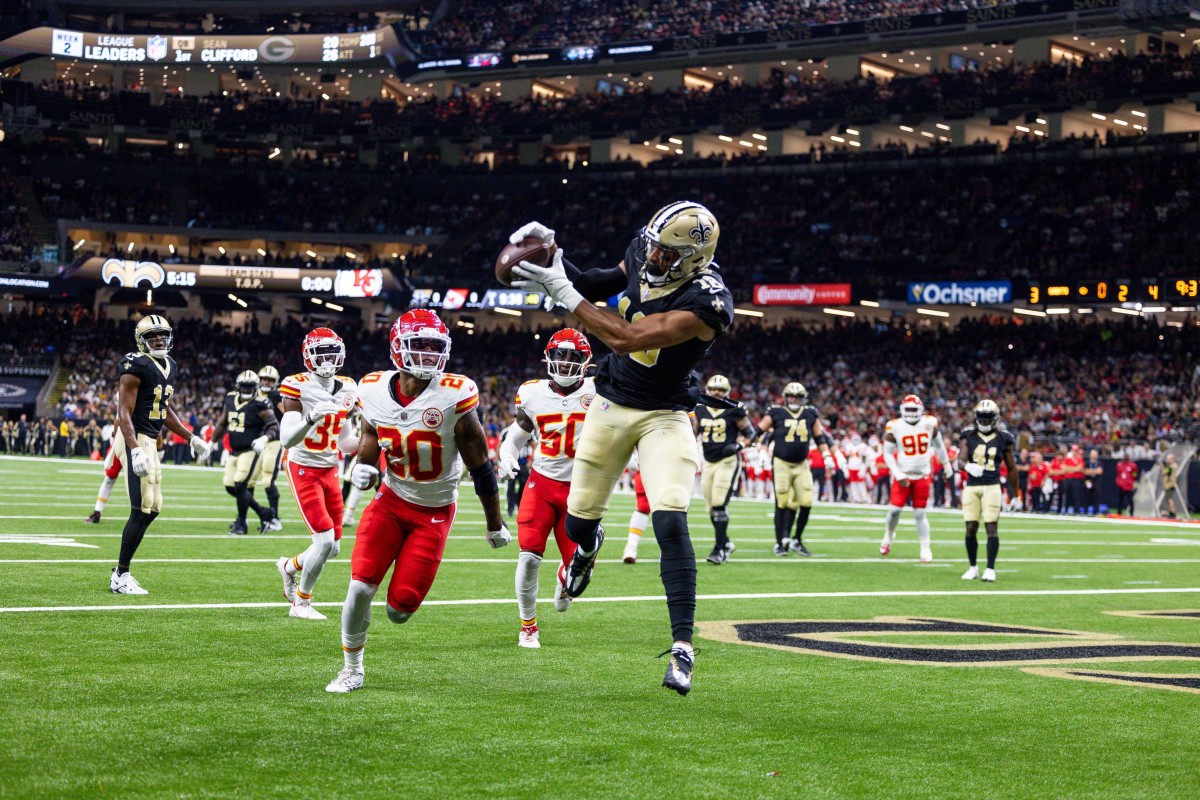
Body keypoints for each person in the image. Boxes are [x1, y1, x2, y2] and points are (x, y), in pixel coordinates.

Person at [508, 202, 733, 695]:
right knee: (578, 523)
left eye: (667, 253)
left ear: (695, 257)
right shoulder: (644, 247)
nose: (653, 256)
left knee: (670, 518)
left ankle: (682, 647)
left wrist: (560, 291)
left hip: (665, 414)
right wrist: (554, 255)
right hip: (609, 404)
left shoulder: (708, 301)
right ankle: (588, 549)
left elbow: (629, 338)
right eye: (653, 245)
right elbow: (595, 283)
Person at [326, 310, 510, 693]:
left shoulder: (454, 395)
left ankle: (383, 623)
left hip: (435, 511)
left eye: (434, 346)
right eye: (419, 345)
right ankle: (351, 667)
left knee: (399, 611)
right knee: (360, 587)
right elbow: (372, 433)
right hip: (390, 500)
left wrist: (495, 524)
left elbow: (480, 467)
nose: (427, 354)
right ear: (397, 347)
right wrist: (363, 466)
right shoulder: (373, 388)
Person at [498, 328, 595, 648]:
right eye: (559, 355)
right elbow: (516, 437)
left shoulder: (600, 391)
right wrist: (507, 456)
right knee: (528, 557)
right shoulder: (532, 393)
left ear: (586, 361)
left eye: (573, 357)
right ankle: (528, 627)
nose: (565, 363)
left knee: (578, 572)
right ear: (548, 358)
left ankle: (564, 578)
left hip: (582, 490)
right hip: (541, 484)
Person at [110, 315, 212, 594]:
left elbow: (163, 410)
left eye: (162, 335)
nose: (158, 340)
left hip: (149, 439)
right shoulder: (135, 364)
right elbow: (124, 412)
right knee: (141, 507)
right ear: (141, 340)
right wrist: (133, 450)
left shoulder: (170, 366)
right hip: (133, 437)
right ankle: (120, 575)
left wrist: (191, 436)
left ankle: (121, 571)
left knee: (153, 507)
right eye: (152, 335)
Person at [274, 328, 358, 620]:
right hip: (302, 466)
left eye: (331, 353)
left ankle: (289, 566)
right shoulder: (297, 385)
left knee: (332, 548)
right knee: (322, 541)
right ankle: (301, 603)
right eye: (320, 353)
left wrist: (382, 442)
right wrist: (310, 417)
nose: (326, 359)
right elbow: (286, 439)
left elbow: (346, 442)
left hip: (329, 468)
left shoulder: (348, 387)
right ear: (308, 356)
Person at [757, 382, 830, 556]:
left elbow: (819, 437)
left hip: (801, 463)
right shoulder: (776, 412)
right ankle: (779, 542)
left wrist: (827, 454)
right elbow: (759, 431)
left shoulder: (810, 413)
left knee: (806, 501)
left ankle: (796, 538)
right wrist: (760, 451)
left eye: (797, 397)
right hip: (781, 462)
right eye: (791, 396)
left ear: (803, 398)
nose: (794, 400)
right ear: (785, 397)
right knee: (782, 502)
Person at [879, 395, 953, 563]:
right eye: (909, 409)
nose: (911, 413)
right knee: (894, 511)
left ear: (920, 410)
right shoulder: (894, 426)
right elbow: (887, 453)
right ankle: (889, 534)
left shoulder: (929, 423)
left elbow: (939, 446)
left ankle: (925, 548)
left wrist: (947, 466)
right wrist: (897, 474)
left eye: (914, 409)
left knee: (920, 513)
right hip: (903, 474)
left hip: (922, 475)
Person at [693, 374, 755, 564]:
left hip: (728, 461)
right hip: (709, 462)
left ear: (727, 392)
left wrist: (739, 446)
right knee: (711, 508)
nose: (717, 393)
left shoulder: (734, 409)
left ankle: (719, 550)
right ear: (708, 391)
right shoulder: (700, 409)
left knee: (719, 504)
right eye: (713, 389)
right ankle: (726, 542)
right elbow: (693, 432)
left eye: (720, 390)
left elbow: (751, 434)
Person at [209, 370, 280, 536]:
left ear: (256, 388)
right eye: (244, 387)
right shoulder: (230, 399)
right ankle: (263, 512)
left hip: (250, 450)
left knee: (240, 484)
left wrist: (264, 439)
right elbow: (222, 423)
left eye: (250, 387)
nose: (247, 390)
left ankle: (242, 524)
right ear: (238, 386)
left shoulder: (261, 403)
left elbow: (273, 426)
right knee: (230, 486)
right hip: (234, 451)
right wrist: (212, 441)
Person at [958, 399, 1018, 583]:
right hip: (972, 486)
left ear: (995, 418)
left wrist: (1015, 495)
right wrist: (967, 467)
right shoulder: (967, 435)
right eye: (981, 417)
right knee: (970, 527)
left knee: (991, 527)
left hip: (992, 485)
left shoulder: (1004, 437)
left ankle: (990, 568)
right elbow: (960, 459)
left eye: (987, 417)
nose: (984, 421)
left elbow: (1011, 467)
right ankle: (973, 567)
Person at [255, 365, 285, 525]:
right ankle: (245, 517)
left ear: (275, 382)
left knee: (267, 480)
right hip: (255, 441)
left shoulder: (277, 395)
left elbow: (288, 414)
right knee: (248, 480)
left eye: (270, 380)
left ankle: (274, 518)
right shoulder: (253, 393)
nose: (266, 382)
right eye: (264, 379)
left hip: (273, 441)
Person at [621, 450, 652, 563]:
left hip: (670, 462)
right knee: (643, 506)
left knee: (670, 507)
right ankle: (631, 546)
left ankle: (669, 550)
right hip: (647, 462)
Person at [1084, 448, 1103, 515]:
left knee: (1096, 497)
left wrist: (1090, 471)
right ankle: (1086, 511)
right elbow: (1085, 472)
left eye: (1095, 455)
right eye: (1092, 455)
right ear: (1090, 455)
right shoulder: (1087, 463)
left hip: (1096, 482)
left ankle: (1096, 512)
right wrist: (1095, 471)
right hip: (1088, 481)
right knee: (1087, 497)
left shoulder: (1099, 463)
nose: (1093, 456)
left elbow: (1100, 471)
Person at [1162, 453, 1179, 518]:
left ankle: (1172, 513)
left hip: (1169, 485)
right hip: (1169, 484)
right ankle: (1171, 512)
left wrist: (1163, 466)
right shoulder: (1172, 466)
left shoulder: (1172, 466)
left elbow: (1164, 472)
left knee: (1170, 499)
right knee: (1168, 499)